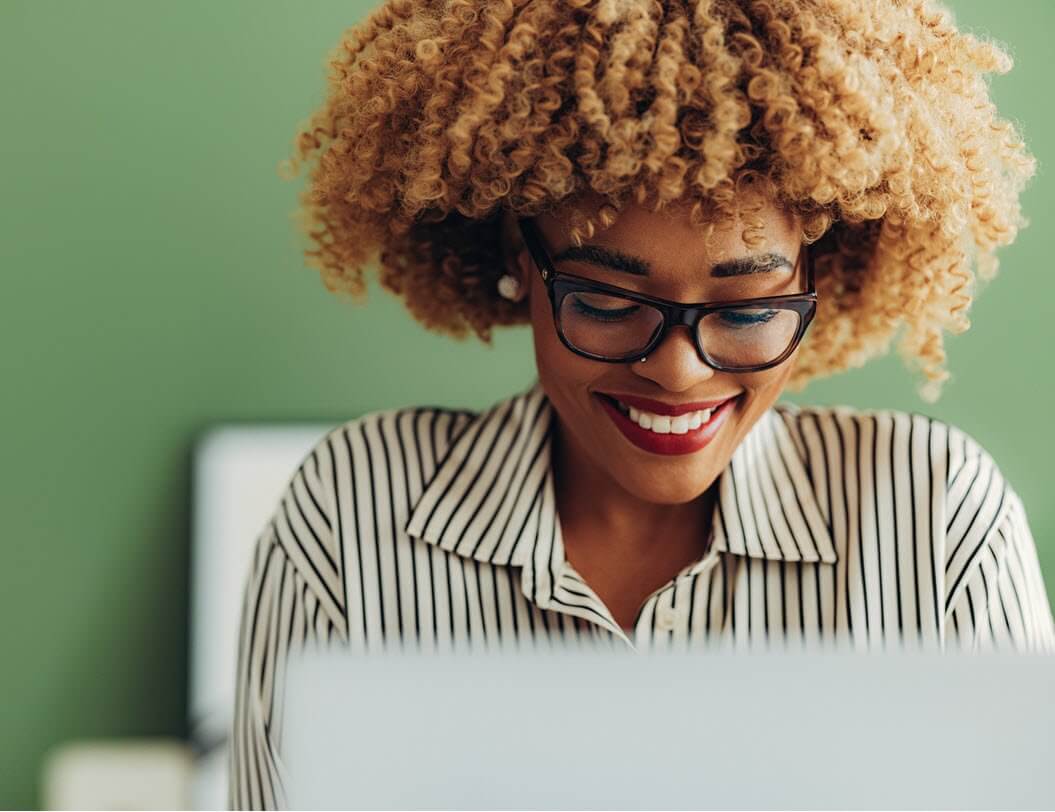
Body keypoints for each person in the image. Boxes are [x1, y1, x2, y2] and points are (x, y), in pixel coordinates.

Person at [230, 0, 1055, 807]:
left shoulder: (934, 524)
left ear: (818, 276)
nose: (677, 372)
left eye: (747, 311)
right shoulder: (351, 517)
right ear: (518, 260)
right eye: (606, 302)